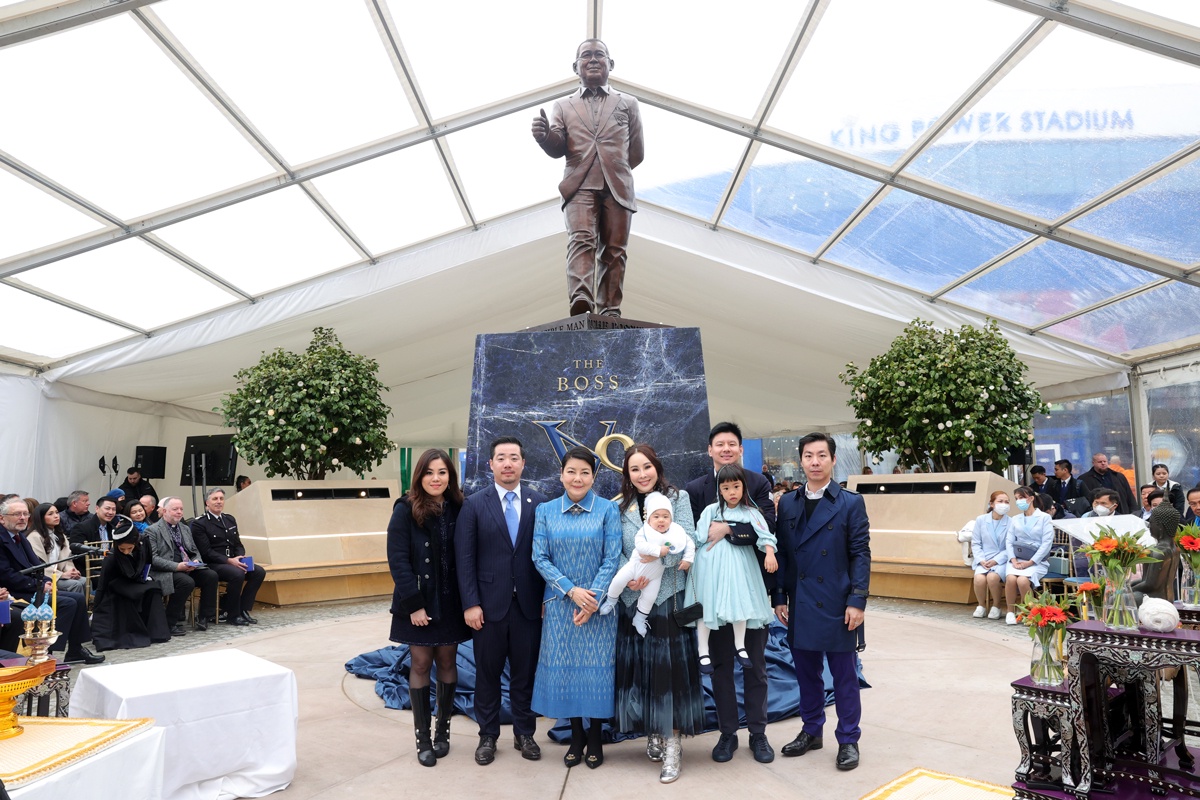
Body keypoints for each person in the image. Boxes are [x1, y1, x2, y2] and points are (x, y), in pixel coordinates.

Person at [775, 433, 870, 771]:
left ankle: (848, 739)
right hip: (799, 602)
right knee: (806, 675)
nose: (814, 462)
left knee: (844, 677)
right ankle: (812, 730)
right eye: (808, 456)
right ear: (800, 461)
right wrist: (779, 596)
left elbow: (860, 554)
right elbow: (783, 553)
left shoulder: (850, 502)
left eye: (821, 455)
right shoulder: (787, 502)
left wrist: (857, 600)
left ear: (832, 460)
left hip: (837, 603)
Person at [684, 422, 777, 764]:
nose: (726, 449)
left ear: (740, 449)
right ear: (709, 450)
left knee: (754, 665)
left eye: (732, 444)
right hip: (711, 591)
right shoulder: (696, 489)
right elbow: (693, 534)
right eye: (719, 444)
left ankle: (758, 732)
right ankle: (727, 734)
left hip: (747, 591)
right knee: (721, 666)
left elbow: (766, 526)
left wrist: (728, 530)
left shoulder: (758, 483)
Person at [531, 38, 643, 317]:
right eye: (586, 56)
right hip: (579, 183)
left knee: (615, 249)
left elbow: (637, 152)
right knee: (581, 239)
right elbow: (558, 147)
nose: (593, 59)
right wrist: (545, 137)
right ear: (576, 66)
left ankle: (609, 309)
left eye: (599, 55)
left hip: (617, 185)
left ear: (610, 64)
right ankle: (581, 296)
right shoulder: (563, 106)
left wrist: (614, 166)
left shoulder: (628, 103)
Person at [613, 443, 704, 784]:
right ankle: (653, 728)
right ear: (627, 474)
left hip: (669, 598)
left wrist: (658, 560)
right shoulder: (622, 507)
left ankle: (673, 743)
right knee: (644, 671)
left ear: (657, 467)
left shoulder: (677, 499)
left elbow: (689, 539)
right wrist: (631, 576)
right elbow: (619, 549)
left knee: (671, 674)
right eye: (634, 469)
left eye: (646, 467)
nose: (642, 474)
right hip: (634, 600)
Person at [454, 436, 548, 766]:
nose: (507, 463)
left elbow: (546, 557)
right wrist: (470, 603)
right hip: (487, 608)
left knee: (525, 674)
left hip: (529, 607)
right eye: (501, 458)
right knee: (488, 675)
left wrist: (545, 600)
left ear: (523, 464)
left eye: (514, 458)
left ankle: (525, 733)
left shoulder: (540, 503)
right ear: (491, 464)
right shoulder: (474, 504)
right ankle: (488, 736)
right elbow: (464, 558)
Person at [531, 447, 622, 769]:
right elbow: (539, 557)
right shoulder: (546, 511)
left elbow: (612, 557)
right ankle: (576, 736)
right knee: (568, 669)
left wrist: (592, 598)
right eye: (571, 471)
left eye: (585, 472)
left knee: (596, 672)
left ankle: (595, 736)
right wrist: (571, 591)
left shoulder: (608, 510)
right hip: (561, 605)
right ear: (561, 474)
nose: (577, 478)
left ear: (594, 476)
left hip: (597, 608)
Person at [387, 448, 472, 768]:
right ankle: (422, 738)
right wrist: (414, 606)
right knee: (421, 663)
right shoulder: (405, 508)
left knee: (448, 661)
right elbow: (397, 560)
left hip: (451, 601)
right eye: (429, 473)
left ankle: (442, 733)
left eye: (442, 472)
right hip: (418, 602)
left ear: (450, 476)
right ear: (419, 476)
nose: (436, 479)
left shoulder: (460, 507)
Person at [688, 465, 776, 673]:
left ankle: (740, 645)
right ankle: (703, 651)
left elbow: (765, 534)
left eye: (736, 487)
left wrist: (770, 553)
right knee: (706, 605)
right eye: (726, 488)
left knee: (741, 601)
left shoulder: (751, 513)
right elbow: (699, 535)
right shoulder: (711, 510)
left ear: (743, 487)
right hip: (710, 563)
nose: (732, 492)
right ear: (720, 490)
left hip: (741, 563)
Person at [0, 497, 103, 663]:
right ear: (2, 518)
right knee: (67, 603)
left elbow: (36, 565)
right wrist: (38, 586)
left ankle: (76, 649)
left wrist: (47, 581)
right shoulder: (4, 538)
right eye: (17, 514)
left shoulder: (20, 536)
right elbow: (6, 575)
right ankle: (48, 653)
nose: (22, 518)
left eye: (25, 514)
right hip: (15, 591)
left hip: (31, 587)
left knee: (77, 598)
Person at [600, 491, 694, 634]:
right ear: (649, 519)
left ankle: (639, 618)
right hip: (635, 567)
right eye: (656, 517)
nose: (661, 520)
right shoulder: (645, 531)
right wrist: (658, 551)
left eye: (665, 516)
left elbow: (688, 543)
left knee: (649, 597)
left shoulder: (675, 531)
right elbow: (640, 546)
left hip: (656, 575)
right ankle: (611, 601)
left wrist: (687, 559)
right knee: (618, 580)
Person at [90, 519, 171, 651]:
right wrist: (96, 609)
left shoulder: (144, 543)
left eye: (130, 548)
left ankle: (157, 633)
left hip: (136, 581)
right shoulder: (111, 558)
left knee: (154, 589)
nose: (126, 552)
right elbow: (102, 585)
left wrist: (145, 577)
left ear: (135, 542)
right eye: (122, 549)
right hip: (117, 585)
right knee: (133, 594)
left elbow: (148, 562)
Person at [190, 488, 267, 626]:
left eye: (221, 499)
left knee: (259, 572)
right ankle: (233, 614)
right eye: (215, 499)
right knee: (237, 574)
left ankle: (243, 609)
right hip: (213, 563)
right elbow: (206, 551)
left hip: (233, 560)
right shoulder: (199, 523)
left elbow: (237, 543)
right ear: (207, 503)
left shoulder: (229, 519)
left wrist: (239, 556)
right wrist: (229, 561)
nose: (219, 502)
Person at [146, 497, 219, 635]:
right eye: (175, 509)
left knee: (211, 575)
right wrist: (177, 566)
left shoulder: (185, 528)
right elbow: (153, 559)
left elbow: (194, 550)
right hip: (165, 570)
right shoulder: (153, 530)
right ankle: (169, 622)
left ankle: (203, 616)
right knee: (186, 582)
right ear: (165, 511)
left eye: (181, 509)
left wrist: (196, 561)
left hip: (187, 567)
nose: (179, 512)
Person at [1003, 486, 1055, 625]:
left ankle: (1029, 612)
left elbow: (1047, 543)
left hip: (1037, 560)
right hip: (1017, 558)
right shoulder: (1015, 519)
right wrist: (1013, 559)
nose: (1019, 501)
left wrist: (1031, 562)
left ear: (1031, 498)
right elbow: (1009, 540)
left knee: (1022, 581)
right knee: (1011, 578)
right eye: (1016, 499)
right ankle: (1010, 611)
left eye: (1021, 498)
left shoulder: (1045, 518)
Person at [28, 502, 87, 594]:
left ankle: (88, 607)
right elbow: (38, 564)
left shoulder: (59, 535)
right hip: (45, 576)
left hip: (58, 573)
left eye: (56, 512)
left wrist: (71, 571)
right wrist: (62, 575)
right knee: (75, 584)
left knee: (85, 581)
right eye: (50, 514)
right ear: (41, 518)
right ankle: (77, 608)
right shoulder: (34, 536)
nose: (56, 516)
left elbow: (67, 558)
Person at [970, 491, 1010, 620]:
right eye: (1000, 501)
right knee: (979, 579)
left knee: (992, 578)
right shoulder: (981, 520)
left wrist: (996, 560)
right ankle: (981, 606)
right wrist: (981, 559)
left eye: (1006, 502)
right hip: (984, 558)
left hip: (1002, 560)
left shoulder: (1011, 522)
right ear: (991, 504)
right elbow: (976, 543)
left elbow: (1010, 546)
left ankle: (997, 606)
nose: (1003, 504)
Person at [1131, 503, 1181, 604]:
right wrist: (1128, 585)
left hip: (1153, 599)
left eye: (1151, 523)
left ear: (1160, 527)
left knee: (1116, 599)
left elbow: (1150, 585)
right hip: (1168, 597)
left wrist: (1128, 590)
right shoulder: (1175, 549)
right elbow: (1145, 579)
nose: (1149, 526)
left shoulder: (1158, 552)